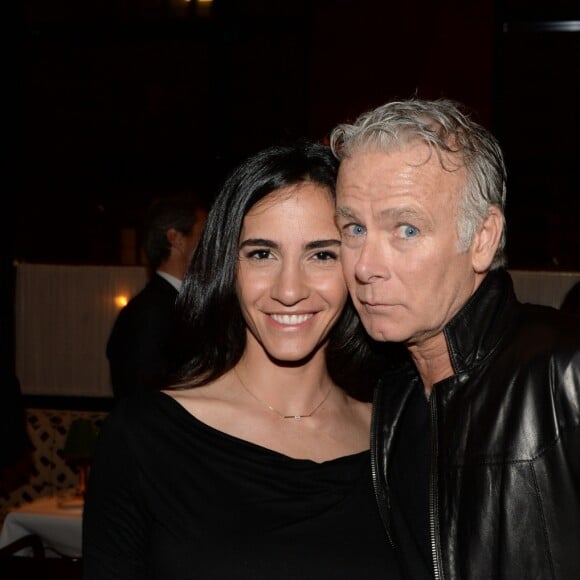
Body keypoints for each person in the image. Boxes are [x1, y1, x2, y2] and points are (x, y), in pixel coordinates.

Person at [83, 142, 403, 579]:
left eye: (321, 254)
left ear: (355, 268)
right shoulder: (144, 438)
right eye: (262, 254)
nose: (289, 289)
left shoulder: (398, 443)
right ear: (227, 267)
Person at [330, 98, 580, 579]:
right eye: (354, 228)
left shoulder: (564, 372)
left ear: (483, 237)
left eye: (406, 228)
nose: (364, 266)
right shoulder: (391, 399)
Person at [106, 193, 208, 399]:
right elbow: (146, 402)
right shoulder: (150, 314)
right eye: (203, 234)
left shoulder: (174, 305)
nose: (211, 245)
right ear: (176, 239)